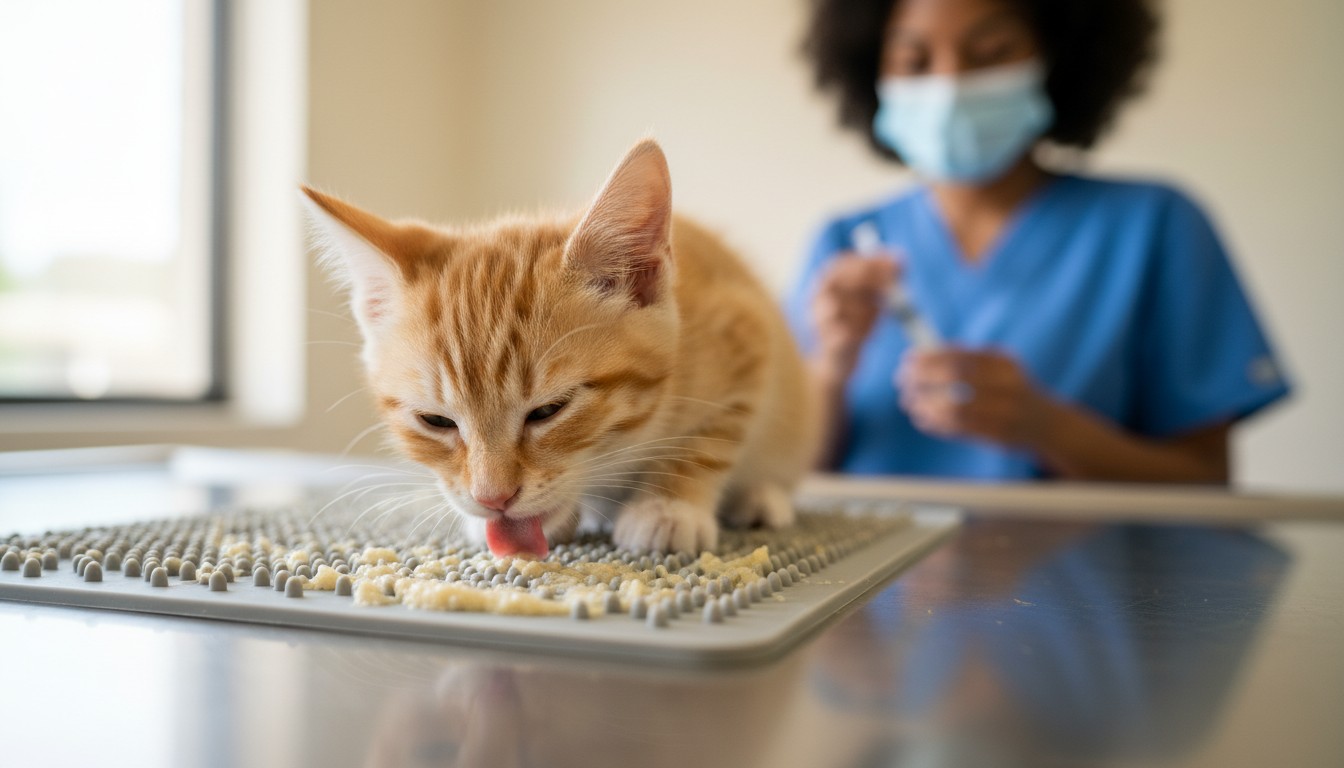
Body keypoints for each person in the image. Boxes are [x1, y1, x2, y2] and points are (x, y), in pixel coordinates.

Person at [789, 0, 1290, 482]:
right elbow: (780, 482)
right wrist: (829, 374)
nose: (950, 85)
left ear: (1059, 56)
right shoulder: (844, 242)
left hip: (1086, 572)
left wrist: (1046, 429)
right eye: (913, 61)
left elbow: (1204, 479)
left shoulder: (1155, 226)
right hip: (872, 571)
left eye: (991, 53)